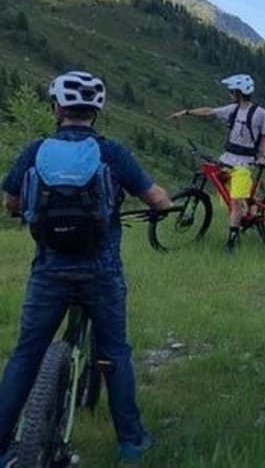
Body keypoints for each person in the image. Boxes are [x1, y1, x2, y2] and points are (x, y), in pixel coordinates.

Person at [0, 71, 174, 466]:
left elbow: (11, 202)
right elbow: (157, 198)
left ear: (57, 108)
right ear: (96, 111)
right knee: (115, 352)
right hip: (101, 270)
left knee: (26, 354)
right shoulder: (112, 153)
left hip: (49, 270)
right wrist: (160, 208)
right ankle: (131, 443)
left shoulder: (35, 150)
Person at [170, 74, 265, 253]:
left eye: (232, 91)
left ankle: (231, 243)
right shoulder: (232, 110)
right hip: (226, 160)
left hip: (244, 164)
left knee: (237, 201)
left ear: (238, 92)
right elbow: (209, 112)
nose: (230, 94)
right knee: (231, 201)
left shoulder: (260, 113)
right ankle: (250, 213)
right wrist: (186, 112)